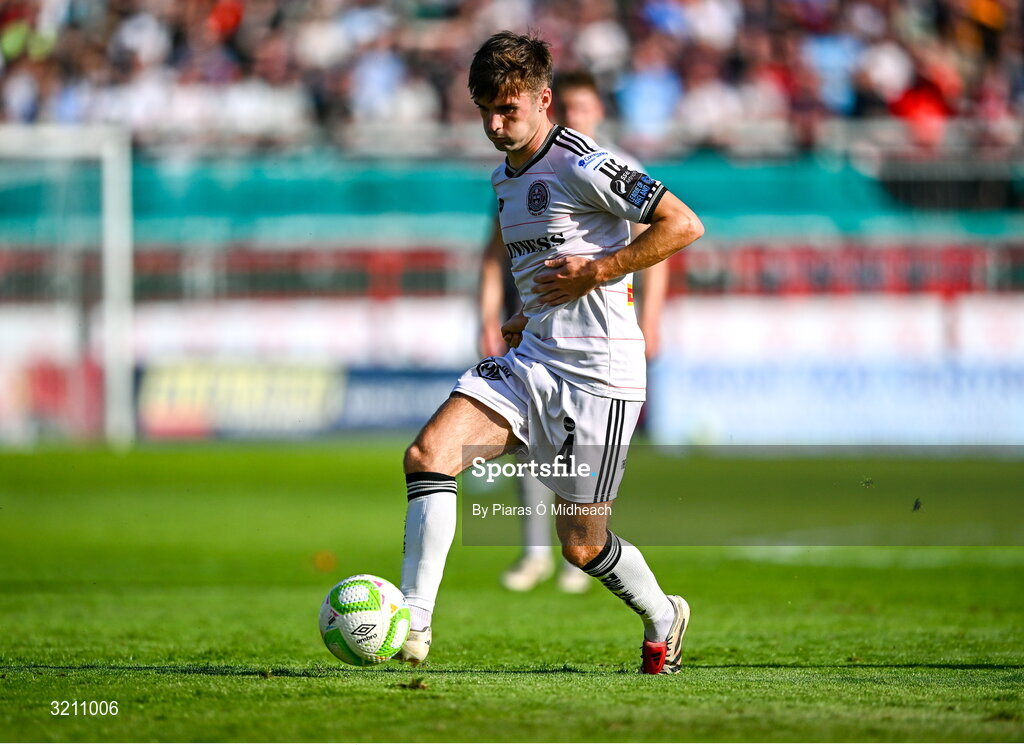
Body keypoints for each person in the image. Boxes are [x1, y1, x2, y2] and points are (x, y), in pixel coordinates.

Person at [397, 31, 704, 674]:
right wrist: (526, 312)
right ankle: (412, 623)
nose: (494, 123)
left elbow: (683, 224)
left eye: (507, 109)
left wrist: (600, 270)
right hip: (533, 360)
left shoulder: (584, 162)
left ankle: (662, 615)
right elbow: (546, 265)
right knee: (429, 454)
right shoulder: (504, 178)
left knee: (582, 548)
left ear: (544, 100)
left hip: (599, 378)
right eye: (484, 109)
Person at [477, 68, 669, 595]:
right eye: (572, 108)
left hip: (598, 343)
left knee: (581, 525)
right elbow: (498, 252)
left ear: (598, 113)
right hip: (540, 332)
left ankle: (577, 557)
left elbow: (668, 234)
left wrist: (643, 313)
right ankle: (533, 552)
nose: (577, 118)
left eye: (585, 109)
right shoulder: (514, 171)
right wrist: (505, 314)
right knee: (518, 448)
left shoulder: (608, 168)